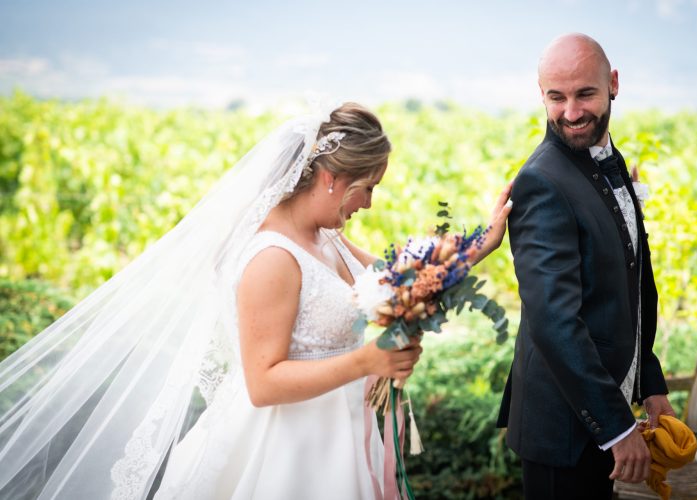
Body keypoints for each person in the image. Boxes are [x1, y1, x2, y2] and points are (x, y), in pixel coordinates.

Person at [0, 102, 511, 500]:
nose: (368, 203)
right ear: (330, 179)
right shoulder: (272, 258)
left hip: (339, 436)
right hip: (285, 448)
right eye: (366, 187)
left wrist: (477, 248)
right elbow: (262, 382)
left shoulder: (324, 235)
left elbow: (400, 280)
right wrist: (366, 361)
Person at [497, 33, 676, 500]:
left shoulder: (610, 162)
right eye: (557, 97)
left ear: (613, 84)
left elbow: (631, 288)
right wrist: (618, 429)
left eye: (585, 94)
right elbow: (555, 322)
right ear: (541, 95)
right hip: (565, 432)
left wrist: (649, 382)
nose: (572, 113)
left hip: (600, 416)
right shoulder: (540, 181)